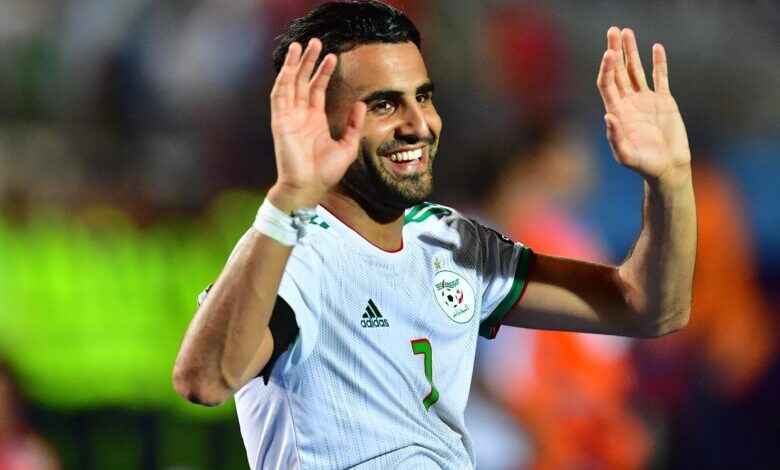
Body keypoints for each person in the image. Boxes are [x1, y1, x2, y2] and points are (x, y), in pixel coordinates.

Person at [173, 1, 696, 468]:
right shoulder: (297, 255)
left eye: (422, 97)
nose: (419, 124)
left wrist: (669, 179)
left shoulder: (454, 244)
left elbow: (648, 309)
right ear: (320, 123)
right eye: (384, 104)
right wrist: (289, 195)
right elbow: (205, 379)